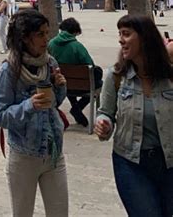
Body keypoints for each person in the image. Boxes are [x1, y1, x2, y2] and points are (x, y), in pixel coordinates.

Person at [94, 15, 173, 217]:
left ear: (145, 38)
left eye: (126, 34)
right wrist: (103, 124)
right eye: (119, 34)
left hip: (169, 161)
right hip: (130, 163)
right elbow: (105, 112)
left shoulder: (169, 77)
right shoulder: (116, 76)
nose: (120, 40)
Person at [0, 9, 68, 217]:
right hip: (24, 155)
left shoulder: (50, 63)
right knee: (22, 213)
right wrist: (29, 106)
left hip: (53, 152)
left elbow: (55, 104)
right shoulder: (9, 70)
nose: (47, 39)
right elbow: (1, 115)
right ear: (25, 38)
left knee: (59, 212)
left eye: (47, 33)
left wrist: (60, 87)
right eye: (41, 34)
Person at [48, 17, 103, 127]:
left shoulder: (51, 44)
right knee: (98, 83)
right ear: (74, 31)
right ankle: (77, 107)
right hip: (82, 85)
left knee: (67, 82)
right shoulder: (77, 46)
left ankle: (75, 106)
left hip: (59, 83)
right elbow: (90, 65)